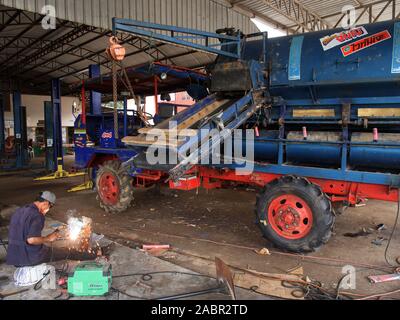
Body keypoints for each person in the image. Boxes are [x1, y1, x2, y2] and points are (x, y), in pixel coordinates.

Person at [6, 191, 100, 268]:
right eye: (49, 207)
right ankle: (97, 254)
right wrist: (48, 238)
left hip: (14, 257)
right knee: (68, 252)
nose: (48, 209)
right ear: (46, 203)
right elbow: (31, 240)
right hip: (30, 257)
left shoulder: (20, 211)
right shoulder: (37, 215)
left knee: (56, 249)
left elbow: (22, 233)